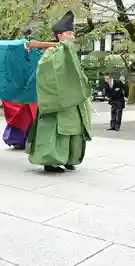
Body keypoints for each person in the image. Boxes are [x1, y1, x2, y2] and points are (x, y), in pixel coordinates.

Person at [24, 10, 92, 173]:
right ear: (59, 35)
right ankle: (51, 160)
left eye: (72, 34)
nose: (72, 37)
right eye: (68, 33)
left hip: (74, 100)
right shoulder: (51, 52)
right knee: (55, 129)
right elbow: (44, 71)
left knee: (74, 129)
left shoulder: (71, 52)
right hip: (57, 99)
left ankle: (69, 158)